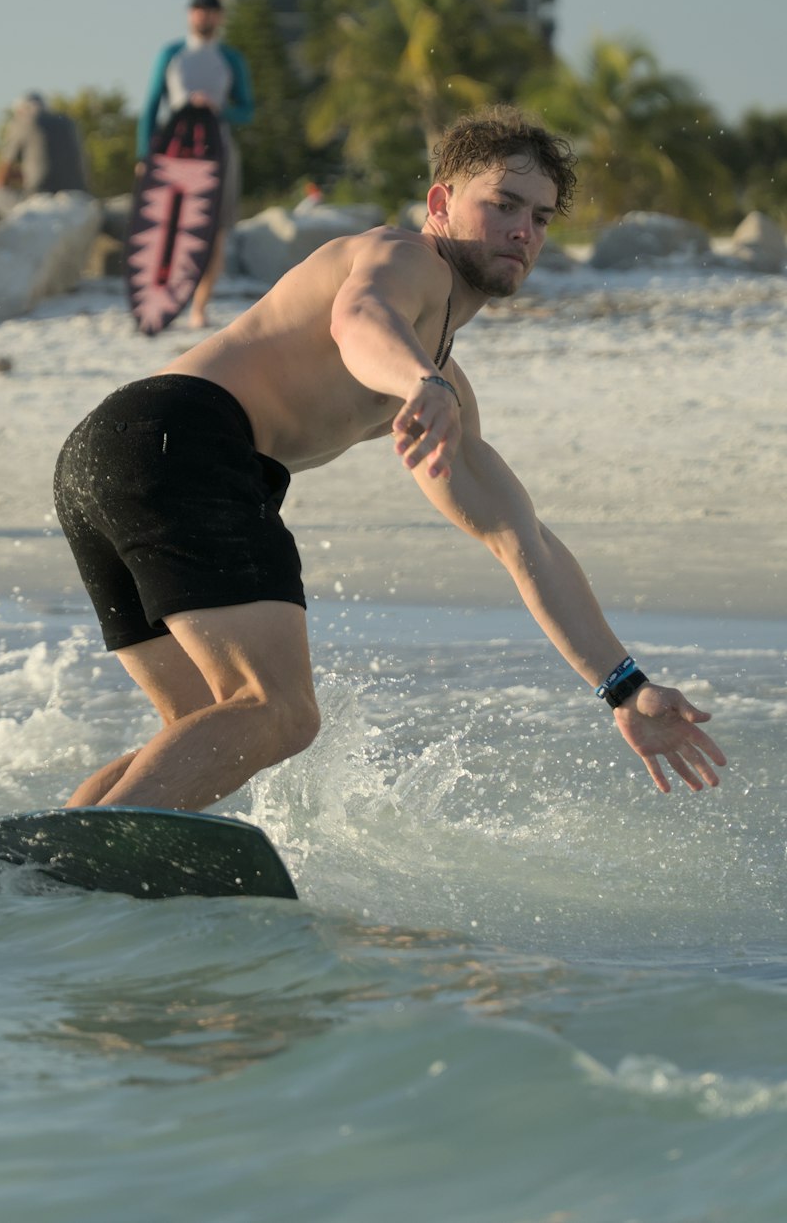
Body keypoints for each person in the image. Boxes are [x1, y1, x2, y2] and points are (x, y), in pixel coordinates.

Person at [54, 105, 726, 815]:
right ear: (441, 203)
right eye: (502, 204)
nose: (522, 230)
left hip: (110, 453)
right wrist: (419, 382)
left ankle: (42, 863)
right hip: (182, 442)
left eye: (541, 216)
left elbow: (520, 540)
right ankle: (90, 855)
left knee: (211, 730)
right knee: (279, 711)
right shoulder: (407, 261)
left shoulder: (442, 383)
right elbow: (359, 318)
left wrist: (624, 686)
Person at [136, 0, 255, 328]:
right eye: (198, 10)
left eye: (211, 11)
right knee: (170, 227)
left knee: (215, 230)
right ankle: (167, 300)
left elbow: (248, 110)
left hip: (218, 151)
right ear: (190, 15)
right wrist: (144, 154)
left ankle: (200, 306)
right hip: (175, 151)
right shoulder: (172, 54)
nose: (204, 17)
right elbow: (150, 106)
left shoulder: (231, 59)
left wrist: (221, 109)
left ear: (219, 17)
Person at [0, 92, 89, 229]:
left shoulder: (23, 122)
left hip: (38, 202)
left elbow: (1, 179)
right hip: (78, 199)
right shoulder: (68, 123)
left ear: (21, 111)